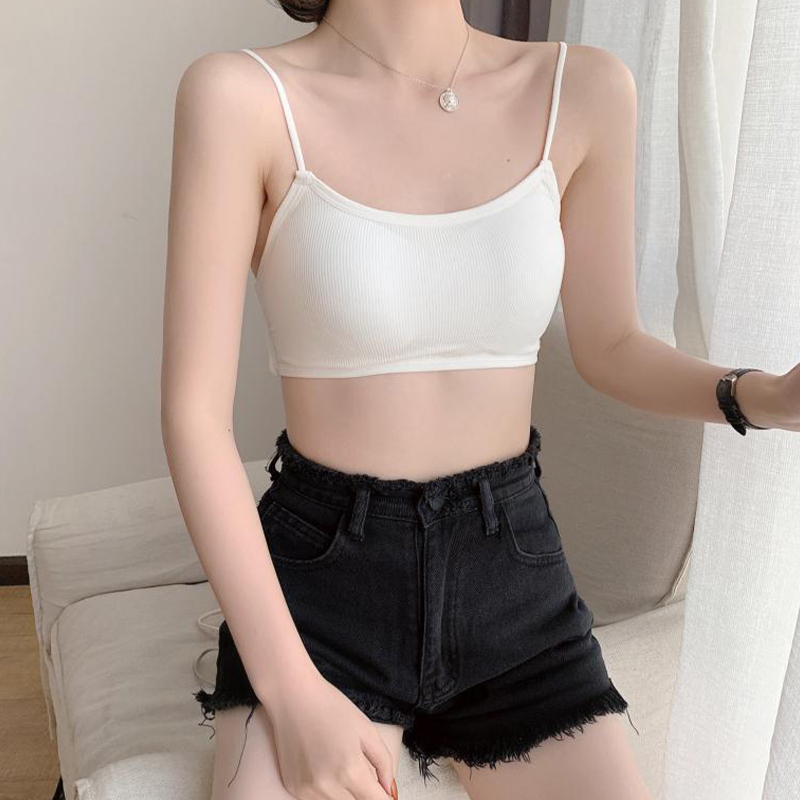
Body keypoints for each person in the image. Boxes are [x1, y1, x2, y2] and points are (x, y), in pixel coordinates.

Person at [161, 1, 797, 798]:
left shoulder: (584, 89)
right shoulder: (241, 96)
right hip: (322, 589)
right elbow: (194, 419)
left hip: (512, 580)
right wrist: (290, 691)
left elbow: (610, 345)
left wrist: (764, 397)